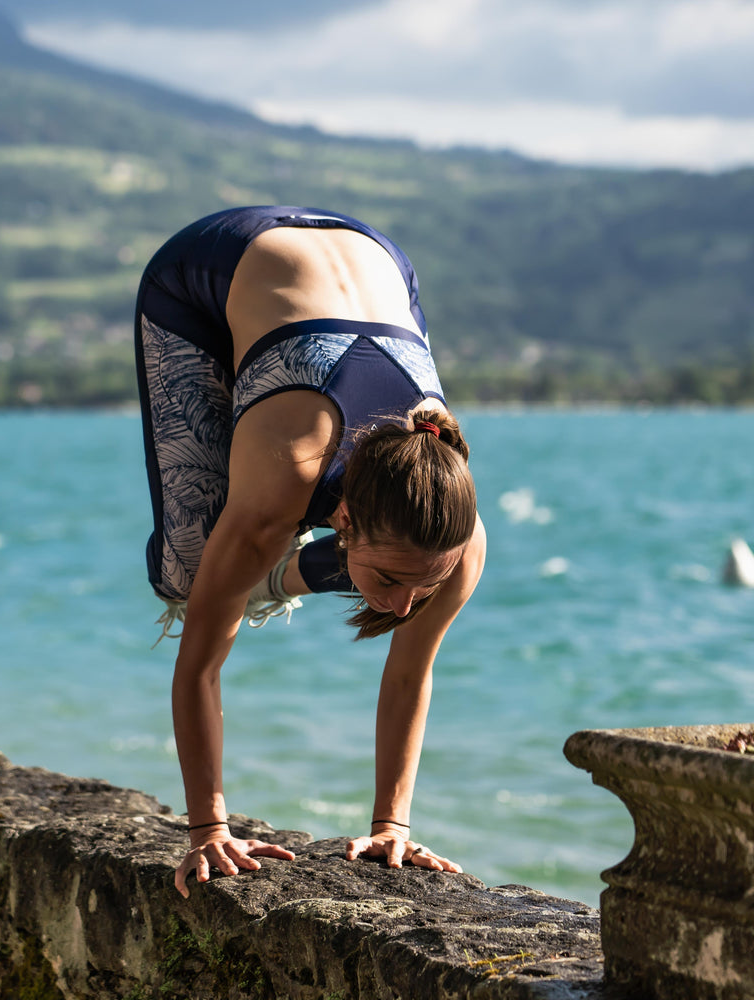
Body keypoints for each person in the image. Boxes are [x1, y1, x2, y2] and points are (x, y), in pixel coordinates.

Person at [134, 206, 487, 899]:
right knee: (191, 574)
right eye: (389, 578)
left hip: (376, 260)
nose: (402, 604)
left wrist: (393, 826)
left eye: (420, 587)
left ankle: (277, 575)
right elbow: (199, 666)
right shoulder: (284, 478)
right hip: (209, 267)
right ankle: (261, 573)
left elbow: (410, 674)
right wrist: (209, 831)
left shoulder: (460, 542)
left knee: (277, 570)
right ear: (346, 517)